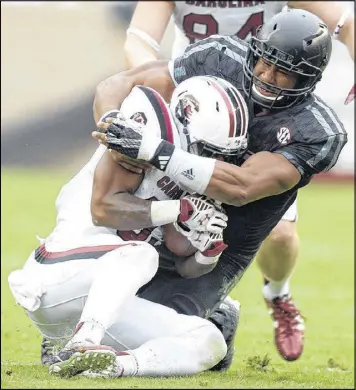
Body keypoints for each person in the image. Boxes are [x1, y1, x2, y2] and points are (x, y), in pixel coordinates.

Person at [123, 0, 354, 362]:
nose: (269, 75)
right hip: (197, 99)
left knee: (277, 235)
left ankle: (277, 295)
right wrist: (151, 111)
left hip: (255, 138)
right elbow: (137, 43)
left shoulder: (316, 129)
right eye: (267, 65)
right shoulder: (218, 53)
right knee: (133, 209)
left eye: (283, 72)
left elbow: (346, 25)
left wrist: (155, 150)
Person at [8, 78, 247, 378]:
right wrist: (179, 210)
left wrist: (206, 251)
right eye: (210, 150)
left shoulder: (190, 174)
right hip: (58, 273)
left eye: (224, 155)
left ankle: (113, 366)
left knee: (209, 341)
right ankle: (83, 343)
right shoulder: (148, 130)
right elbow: (103, 209)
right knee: (141, 253)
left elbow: (181, 258)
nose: (216, 162)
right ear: (185, 121)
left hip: (102, 305)